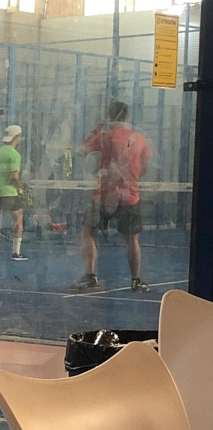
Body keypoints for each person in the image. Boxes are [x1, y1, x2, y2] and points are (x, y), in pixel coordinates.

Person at [72, 100, 151, 292]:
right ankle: (136, 279)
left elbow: (80, 151)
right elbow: (144, 168)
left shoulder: (105, 137)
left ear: (110, 117)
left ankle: (90, 276)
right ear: (127, 116)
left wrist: (97, 128)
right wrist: (129, 180)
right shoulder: (139, 139)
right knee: (132, 239)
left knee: (88, 232)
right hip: (129, 196)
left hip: (103, 195)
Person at [0, 124, 28, 262]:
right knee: (18, 220)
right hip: (10, 193)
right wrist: (20, 188)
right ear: (16, 138)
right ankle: (16, 252)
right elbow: (14, 176)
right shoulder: (14, 154)